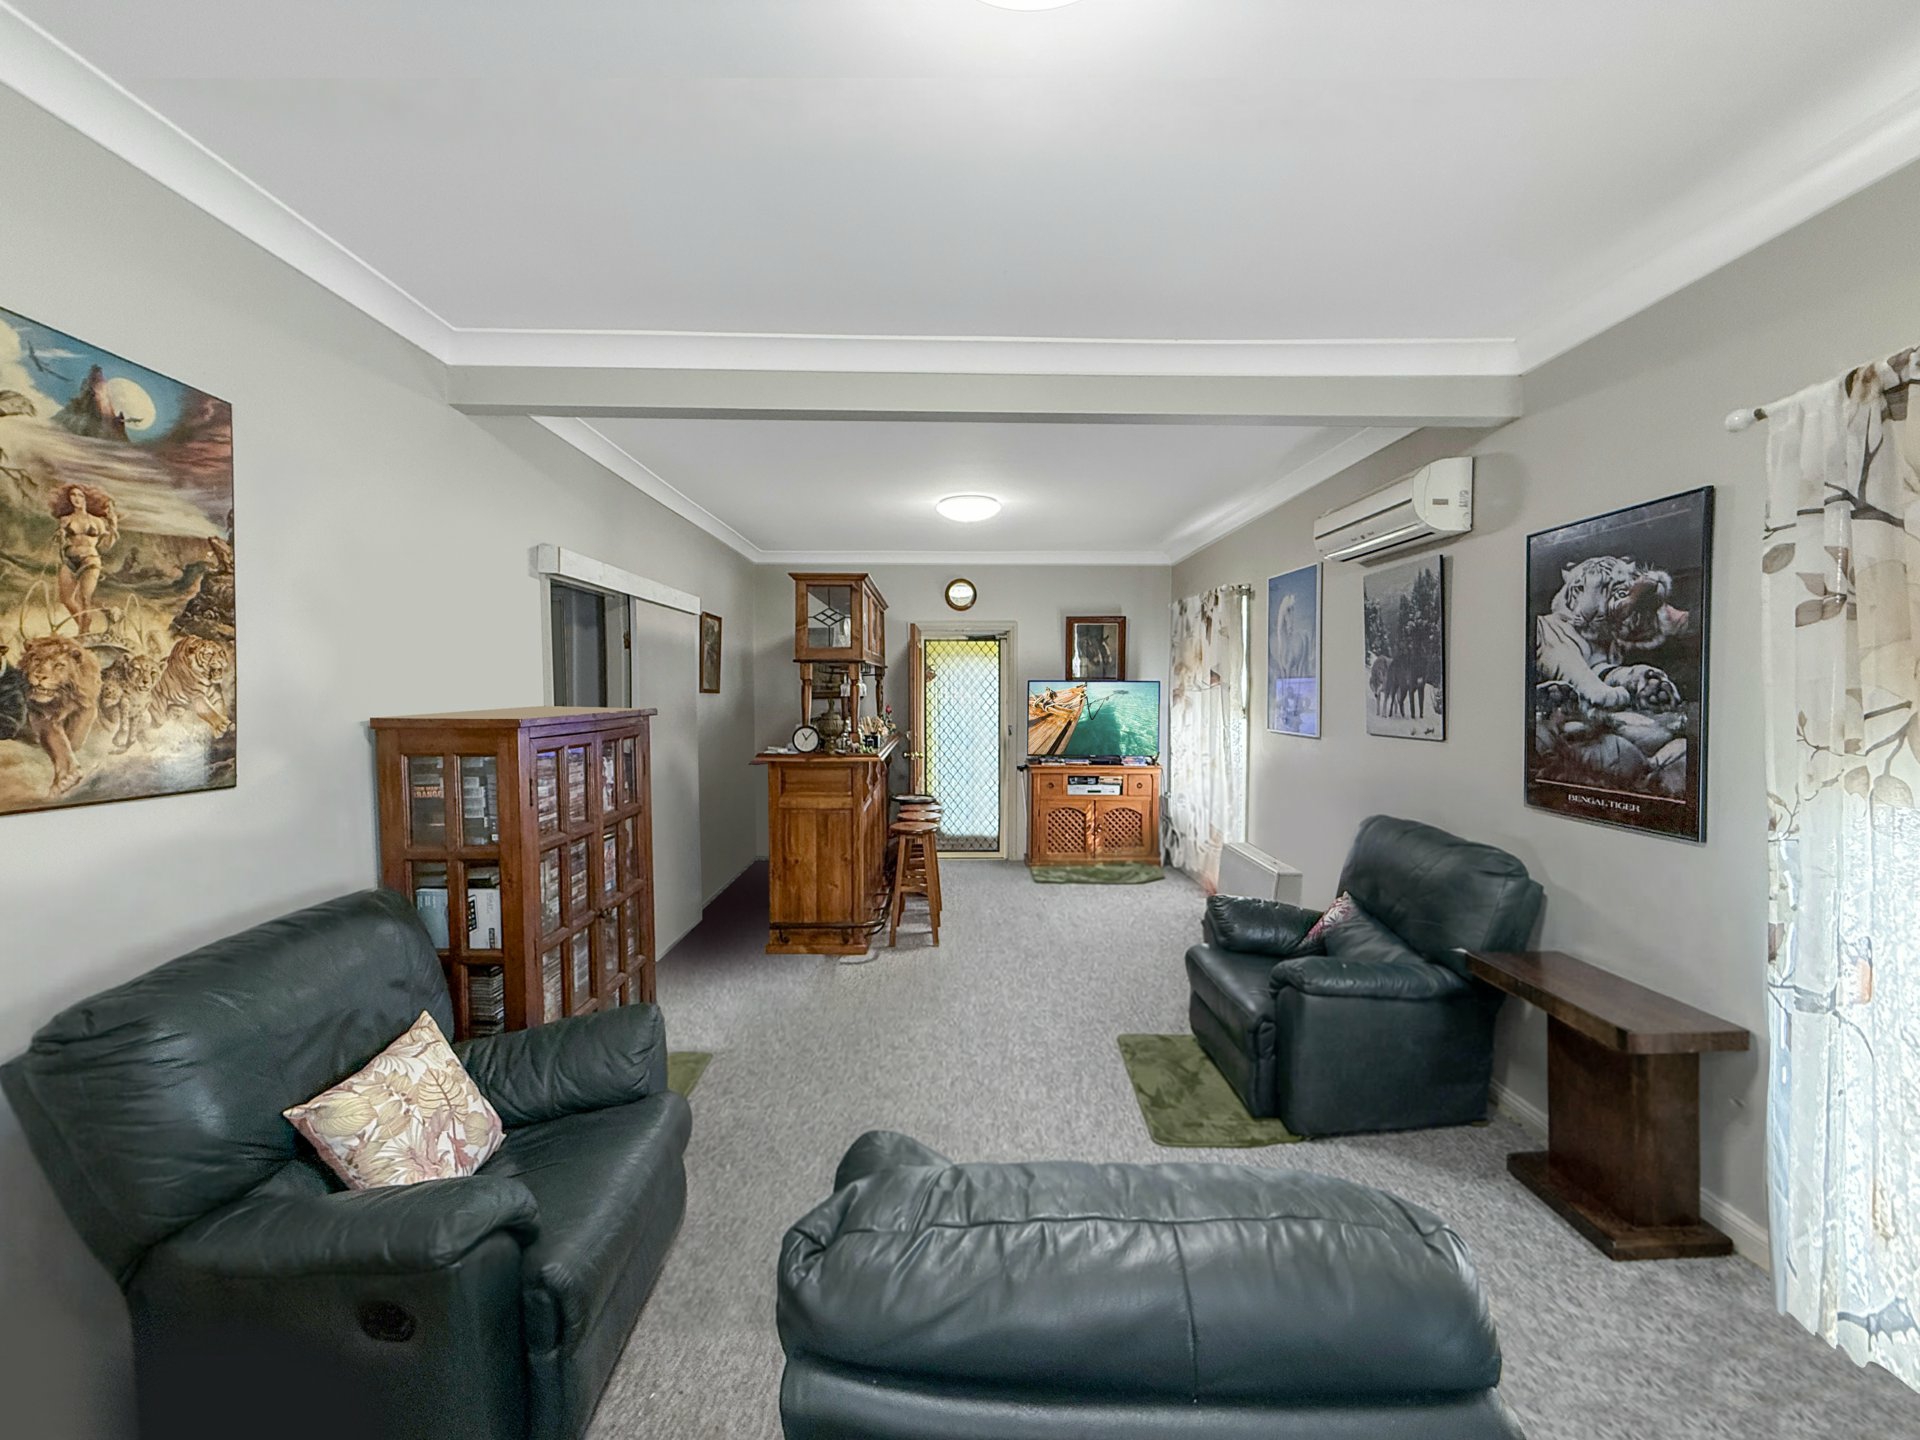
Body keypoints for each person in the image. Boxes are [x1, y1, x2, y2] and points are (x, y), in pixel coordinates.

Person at [50, 483, 117, 636]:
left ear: (86, 499)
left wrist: (113, 526)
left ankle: (83, 633)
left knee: (85, 598)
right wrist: (60, 536)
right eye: (73, 495)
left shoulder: (97, 521)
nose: (76, 498)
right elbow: (61, 542)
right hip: (70, 560)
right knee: (66, 598)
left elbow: (106, 545)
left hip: (90, 560)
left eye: (80, 495)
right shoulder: (65, 520)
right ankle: (84, 626)